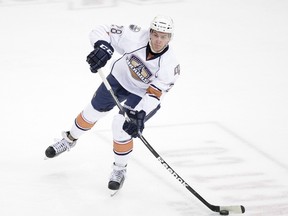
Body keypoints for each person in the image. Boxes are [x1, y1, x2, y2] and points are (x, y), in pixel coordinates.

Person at [45, 15, 180, 191]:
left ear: (170, 38)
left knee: (121, 126)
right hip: (118, 79)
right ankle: (69, 139)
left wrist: (140, 114)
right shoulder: (135, 35)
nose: (158, 40)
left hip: (140, 94)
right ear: (150, 32)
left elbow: (154, 95)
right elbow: (101, 30)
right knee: (91, 112)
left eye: (164, 37)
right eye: (155, 35)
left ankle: (119, 169)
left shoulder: (170, 66)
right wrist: (103, 46)